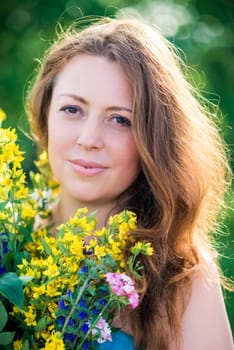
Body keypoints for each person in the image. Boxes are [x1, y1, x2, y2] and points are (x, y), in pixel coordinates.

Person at [25, 16, 233, 350]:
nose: (89, 139)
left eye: (120, 119)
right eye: (72, 109)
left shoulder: (182, 277)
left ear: (153, 140)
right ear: (45, 113)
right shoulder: (10, 238)